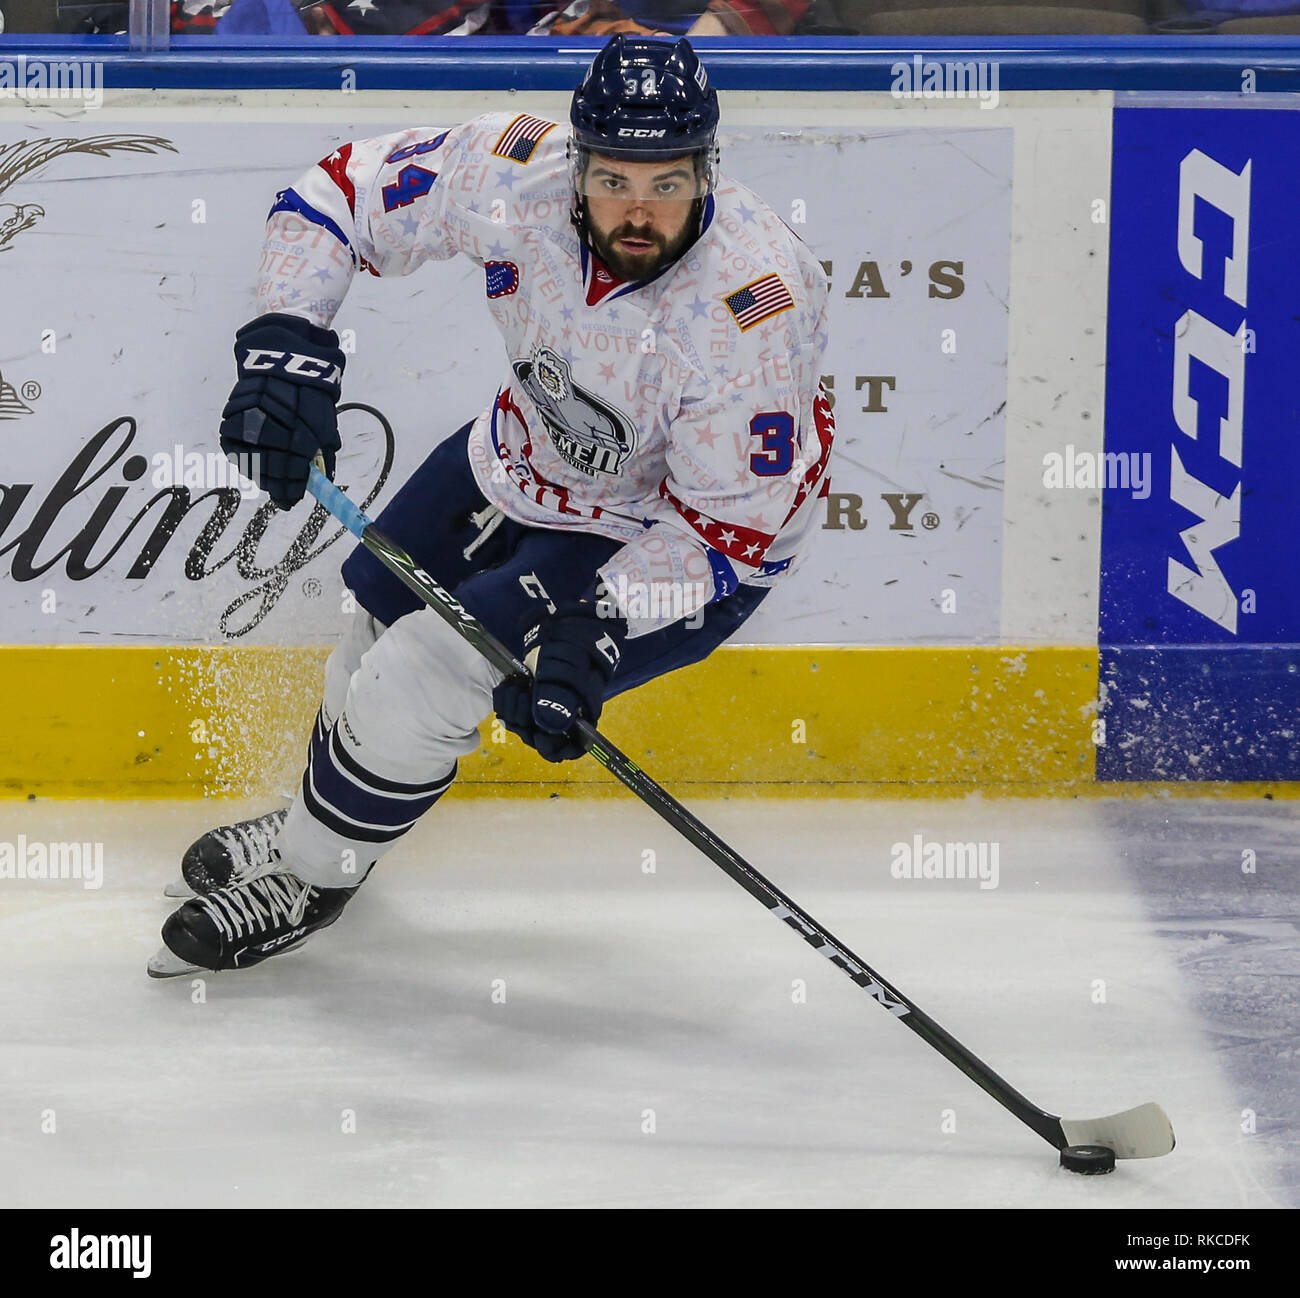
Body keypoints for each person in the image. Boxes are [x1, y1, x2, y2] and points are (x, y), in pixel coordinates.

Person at [148, 35, 834, 978]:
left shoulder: (752, 305)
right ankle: (323, 822)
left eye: (668, 184)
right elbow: (337, 195)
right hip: (523, 452)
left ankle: (313, 878)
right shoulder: (516, 170)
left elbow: (726, 529)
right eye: (616, 180)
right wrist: (283, 345)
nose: (639, 212)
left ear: (707, 170)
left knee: (417, 680)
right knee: (374, 622)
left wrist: (598, 626)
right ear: (578, 160)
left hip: (677, 539)